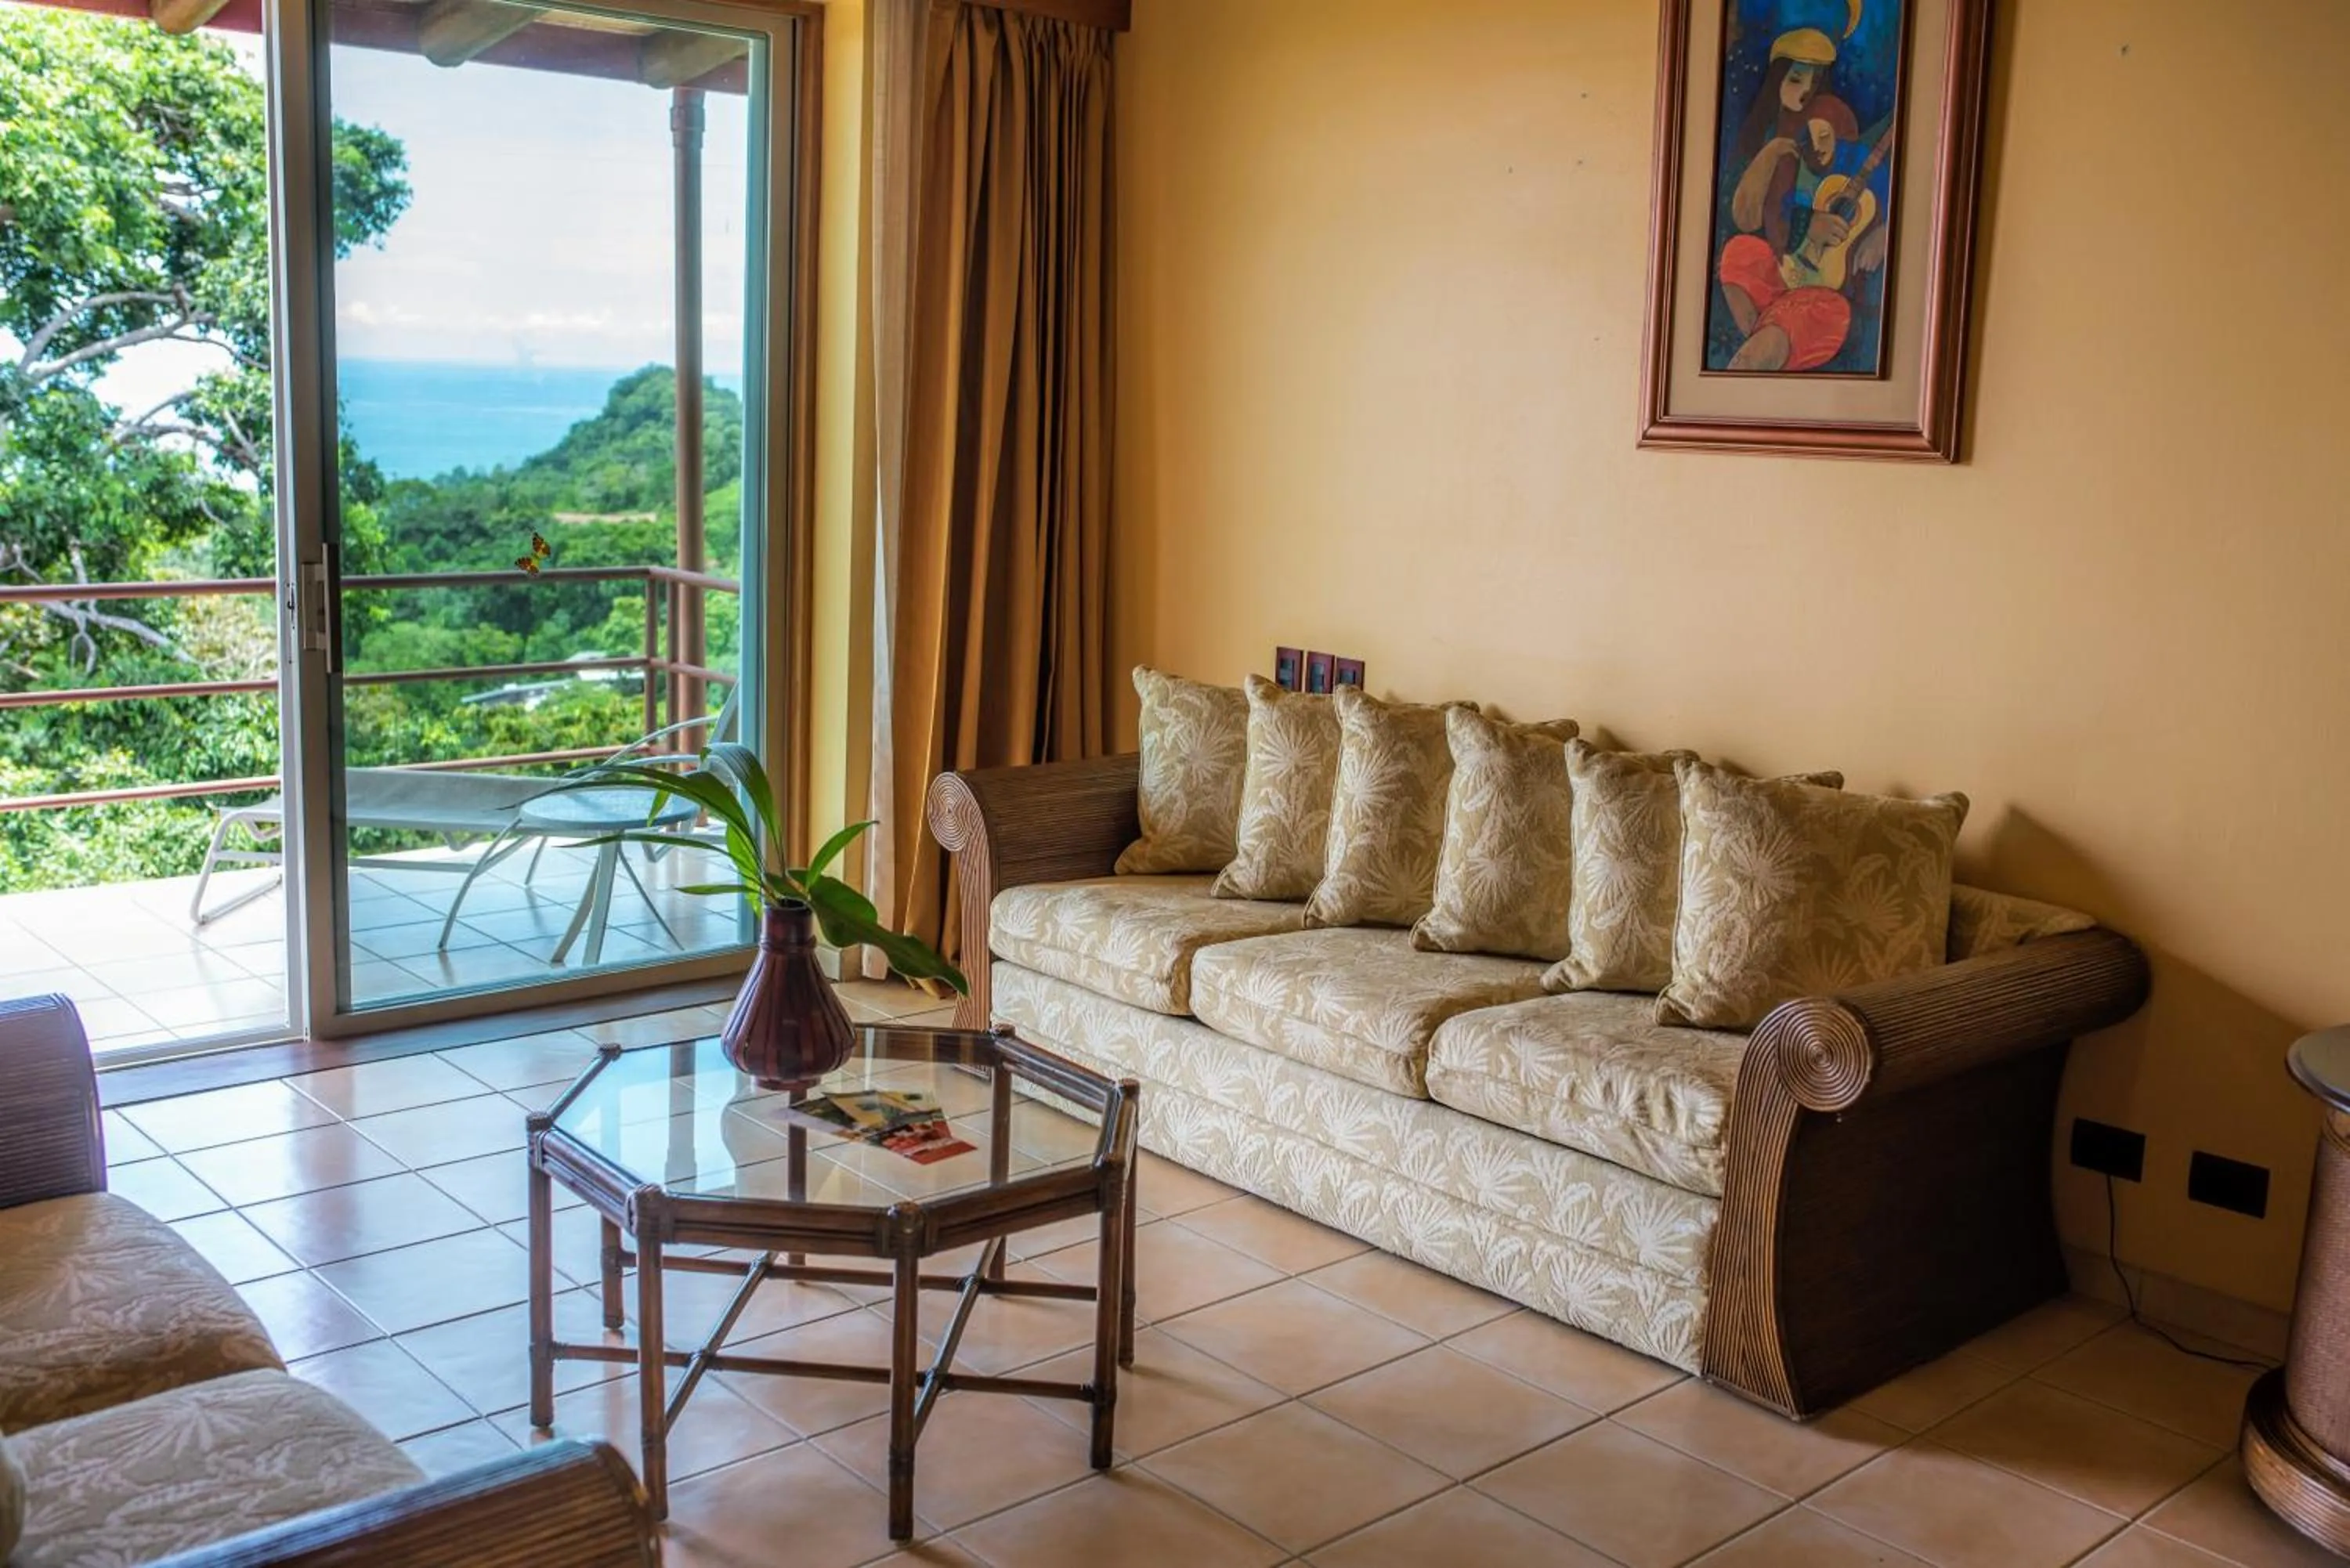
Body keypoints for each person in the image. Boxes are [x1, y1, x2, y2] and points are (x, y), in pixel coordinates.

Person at [1714, 27, 1869, 372]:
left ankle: (1760, 350)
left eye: (1814, 83)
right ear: (1777, 79)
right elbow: (1745, 218)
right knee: (1739, 252)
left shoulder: (1830, 133)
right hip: (1780, 272)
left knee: (1830, 312)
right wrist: (1770, 154)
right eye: (1796, 79)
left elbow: (1877, 191)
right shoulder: (1768, 137)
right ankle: (1760, 349)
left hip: (1821, 288)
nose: (1804, 92)